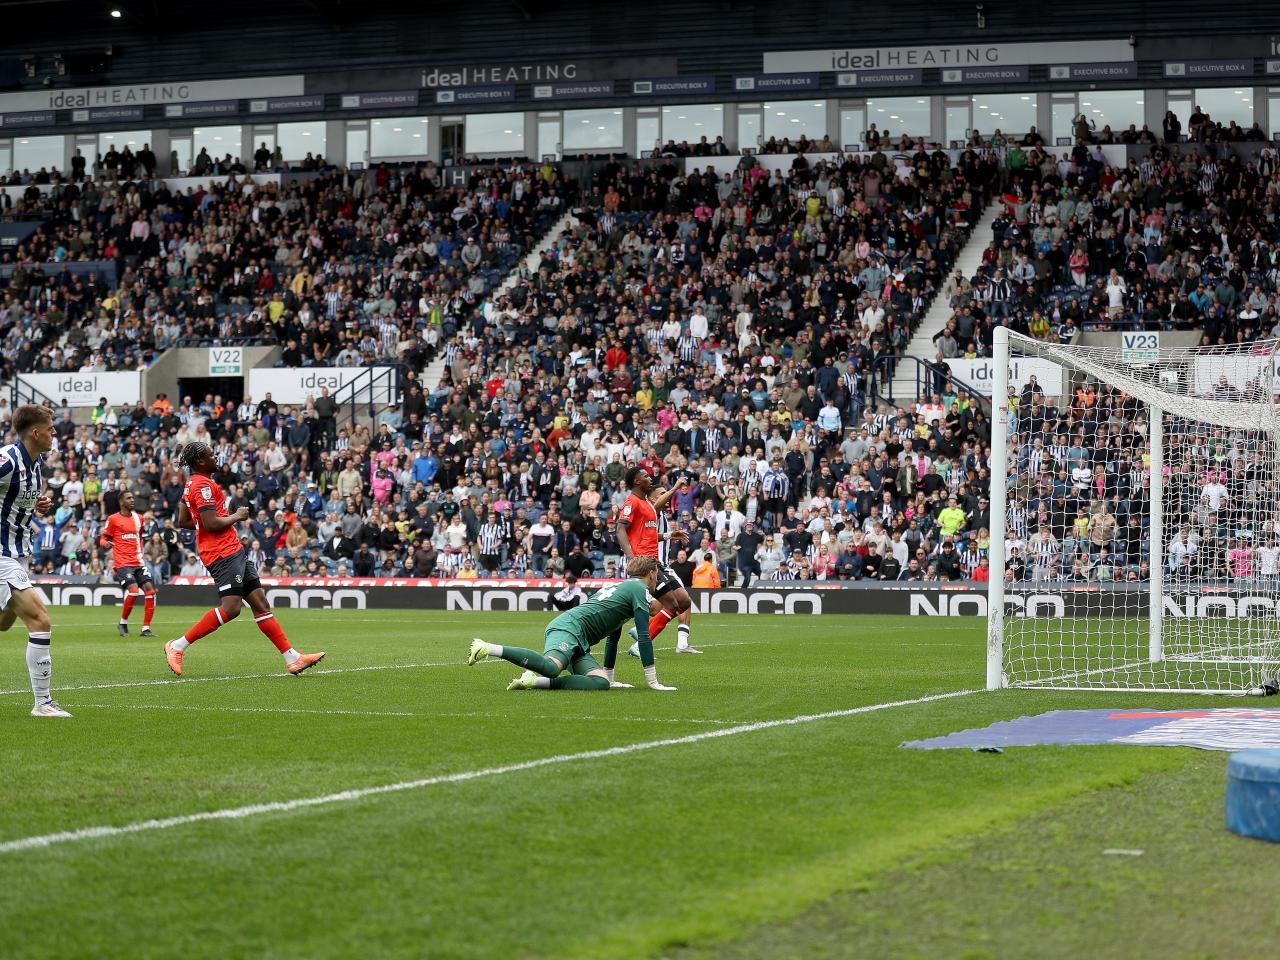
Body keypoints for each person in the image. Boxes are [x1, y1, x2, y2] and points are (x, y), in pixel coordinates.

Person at [165, 441, 325, 677]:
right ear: (200, 461)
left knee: (260, 603)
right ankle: (177, 646)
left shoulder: (192, 484)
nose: (216, 457)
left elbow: (184, 520)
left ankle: (292, 658)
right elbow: (209, 523)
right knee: (232, 609)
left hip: (232, 549)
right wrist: (236, 516)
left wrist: (215, 520)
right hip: (221, 553)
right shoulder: (203, 486)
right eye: (211, 455)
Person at [466, 555, 675, 691]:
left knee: (601, 683)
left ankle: (534, 681)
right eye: (657, 574)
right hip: (569, 627)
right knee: (551, 667)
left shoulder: (625, 588)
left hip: (579, 638)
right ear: (652, 573)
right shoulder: (639, 589)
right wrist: (653, 681)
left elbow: (613, 637)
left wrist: (611, 678)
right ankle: (486, 648)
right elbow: (644, 635)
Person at [0, 405, 70, 717]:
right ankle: (43, 703)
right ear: (36, 433)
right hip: (2, 555)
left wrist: (33, 506)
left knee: (2, 624)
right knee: (40, 619)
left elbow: (13, 499)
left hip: (19, 553)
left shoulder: (35, 462)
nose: (55, 433)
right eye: (51, 428)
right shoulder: (8, 459)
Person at [617, 468, 700, 656]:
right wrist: (632, 558)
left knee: (683, 601)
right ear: (637, 482)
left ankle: (640, 634)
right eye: (645, 476)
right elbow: (620, 529)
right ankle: (640, 643)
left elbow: (649, 534)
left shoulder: (646, 505)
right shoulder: (632, 502)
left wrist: (671, 535)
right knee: (665, 605)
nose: (650, 477)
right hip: (644, 563)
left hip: (657, 562)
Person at [98, 490, 157, 637]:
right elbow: (103, 538)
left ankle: (145, 629)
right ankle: (123, 623)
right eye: (128, 498)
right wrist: (105, 543)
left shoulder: (139, 518)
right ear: (121, 502)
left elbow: (140, 536)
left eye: (133, 498)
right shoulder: (113, 519)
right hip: (123, 562)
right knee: (134, 591)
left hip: (138, 561)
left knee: (150, 591)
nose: (132, 500)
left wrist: (140, 550)